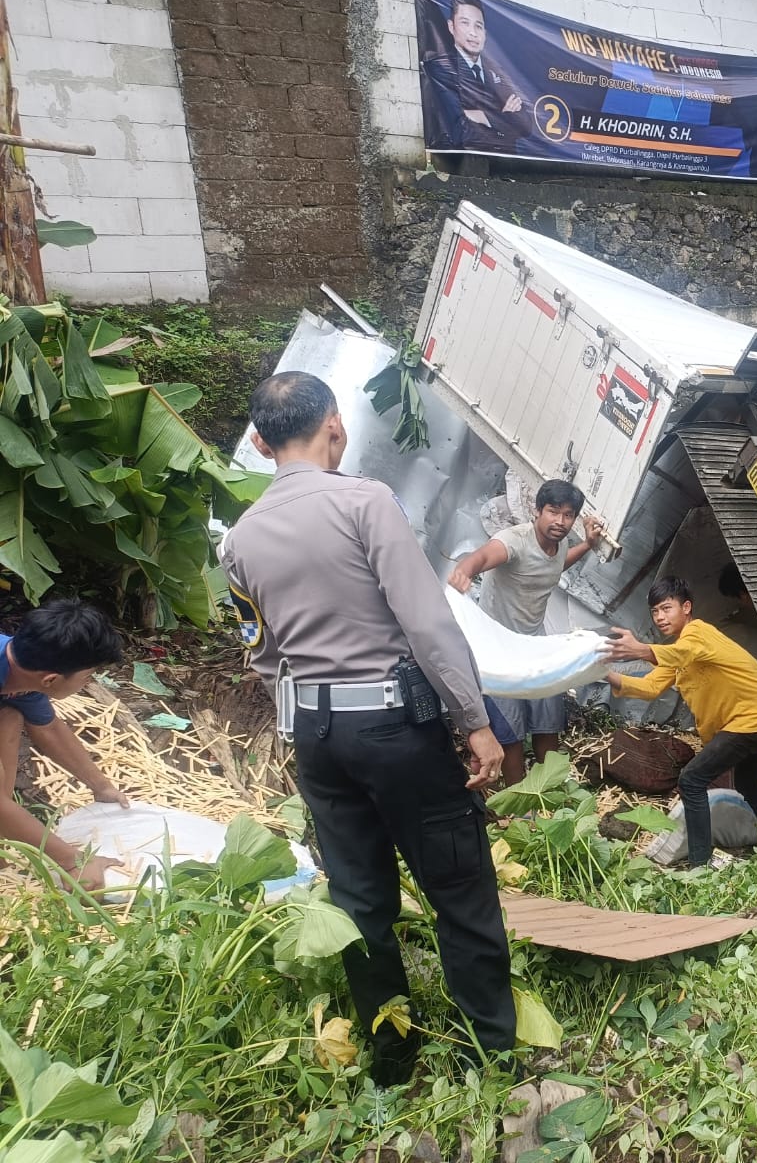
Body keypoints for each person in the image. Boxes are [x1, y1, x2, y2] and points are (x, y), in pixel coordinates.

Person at [221, 371, 514, 1086]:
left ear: (259, 443)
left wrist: (311, 719)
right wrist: (474, 720)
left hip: (316, 737)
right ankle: (495, 1056)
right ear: (336, 426)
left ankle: (392, 1063)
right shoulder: (365, 502)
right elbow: (426, 620)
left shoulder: (238, 541)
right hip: (392, 725)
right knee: (459, 886)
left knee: (360, 903)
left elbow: (262, 654)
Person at [605, 577, 757, 867]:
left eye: (667, 608)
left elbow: (682, 653)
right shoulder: (676, 649)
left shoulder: (699, 632)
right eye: (655, 611)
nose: (660, 617)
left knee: (691, 780)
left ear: (686, 607)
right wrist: (602, 674)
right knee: (748, 784)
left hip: (751, 720)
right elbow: (650, 687)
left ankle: (700, 865)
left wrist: (641, 649)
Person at [447, 479, 604, 784]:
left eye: (568, 515)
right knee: (511, 735)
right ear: (537, 511)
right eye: (553, 511)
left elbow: (555, 566)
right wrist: (464, 572)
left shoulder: (560, 545)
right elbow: (481, 556)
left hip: (534, 645)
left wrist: (587, 544)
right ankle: (522, 805)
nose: (559, 521)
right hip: (500, 650)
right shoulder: (514, 541)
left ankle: (552, 793)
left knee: (548, 724)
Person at [0, 600, 128, 889]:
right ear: (51, 680)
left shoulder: (17, 668)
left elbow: (50, 729)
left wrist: (102, 787)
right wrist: (74, 860)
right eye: (87, 677)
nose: (87, 682)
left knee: (9, 716)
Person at [421, 0, 535, 153]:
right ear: (451, 27)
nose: (473, 33)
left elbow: (526, 124)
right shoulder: (441, 67)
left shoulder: (497, 70)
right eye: (465, 23)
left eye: (478, 26)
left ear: (485, 34)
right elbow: (460, 132)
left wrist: (484, 117)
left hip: (506, 166)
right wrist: (503, 119)